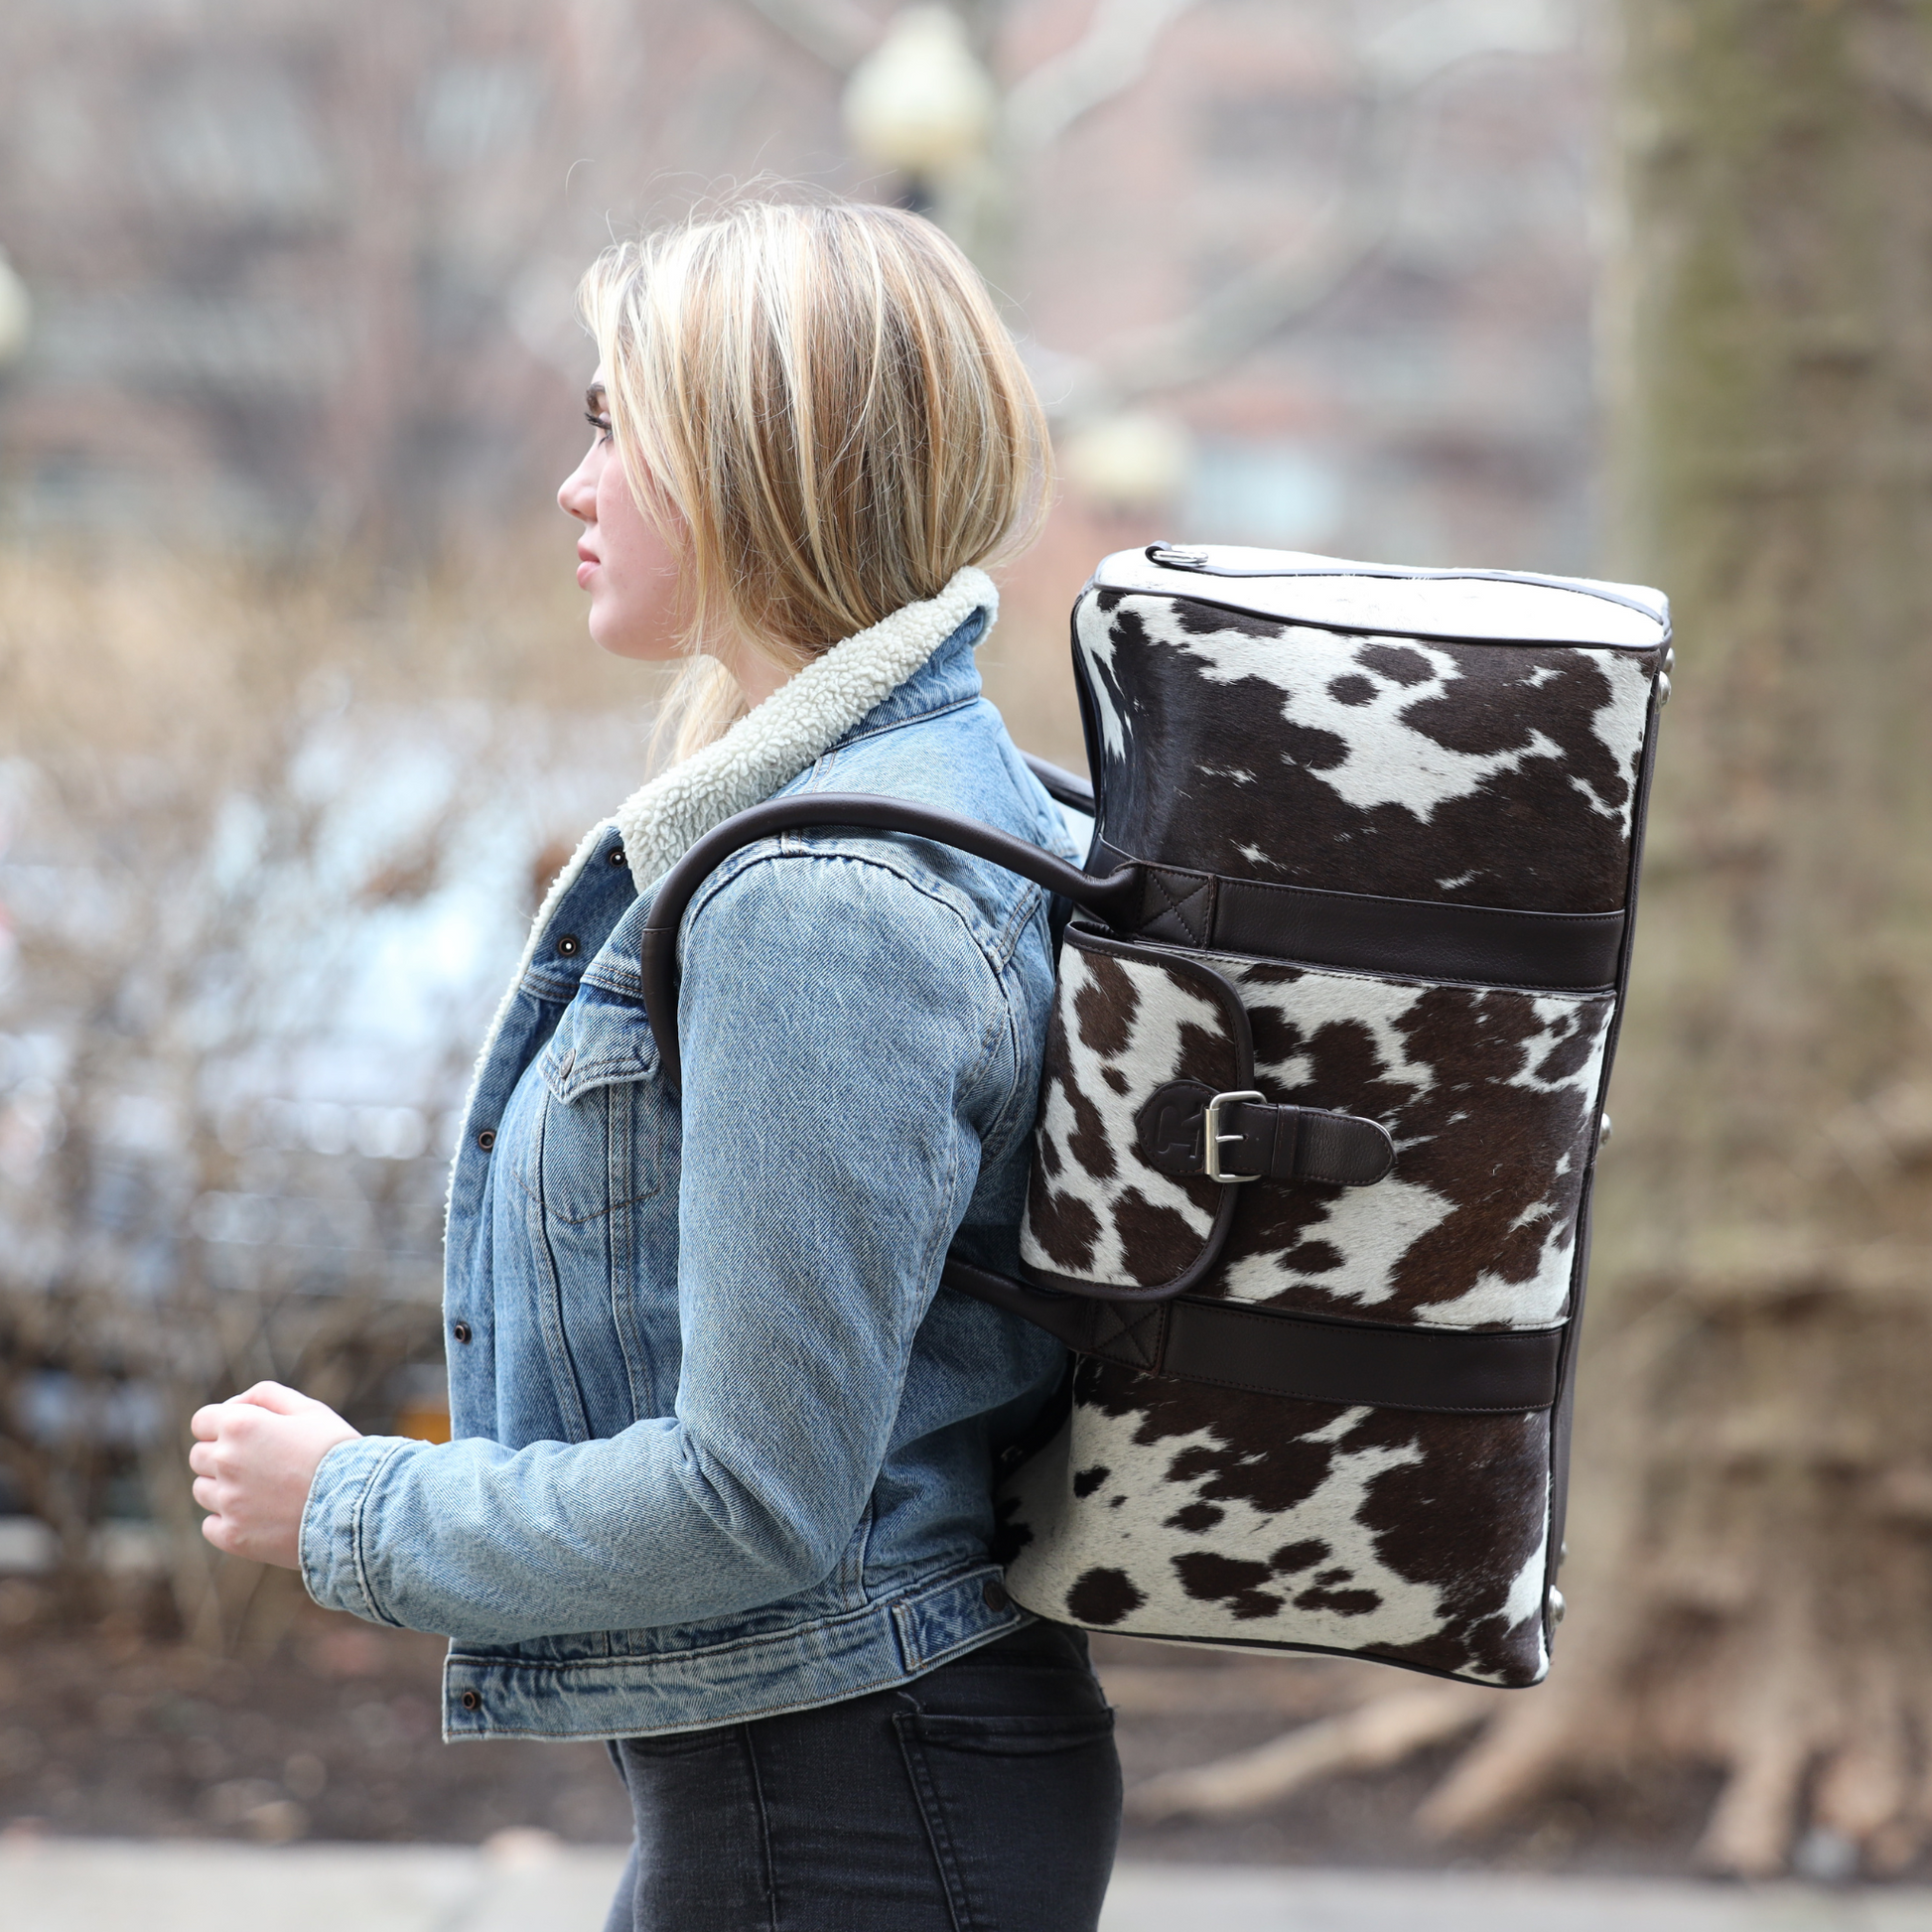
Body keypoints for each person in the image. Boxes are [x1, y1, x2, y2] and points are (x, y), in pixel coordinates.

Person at [186, 198, 1123, 1930]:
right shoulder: (890, 810)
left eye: (622, 423)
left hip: (855, 1811)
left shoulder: (821, 895)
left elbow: (752, 1497)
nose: (575, 478)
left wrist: (350, 1502)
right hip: (844, 1787)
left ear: (764, 464)